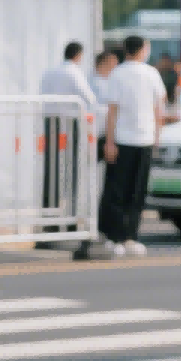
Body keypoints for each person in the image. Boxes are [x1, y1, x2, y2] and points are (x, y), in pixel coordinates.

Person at [96, 35, 165, 259]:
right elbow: (159, 109)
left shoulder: (118, 73)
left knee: (118, 190)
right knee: (136, 191)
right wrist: (157, 136)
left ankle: (116, 236)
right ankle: (127, 237)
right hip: (141, 139)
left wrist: (109, 141)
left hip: (124, 139)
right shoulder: (151, 73)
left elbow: (112, 111)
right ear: (143, 50)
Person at [40, 41, 103, 250]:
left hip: (50, 122)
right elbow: (89, 98)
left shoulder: (49, 72)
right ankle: (69, 219)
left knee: (51, 173)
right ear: (79, 55)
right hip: (68, 124)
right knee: (70, 173)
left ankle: (49, 221)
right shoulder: (74, 73)